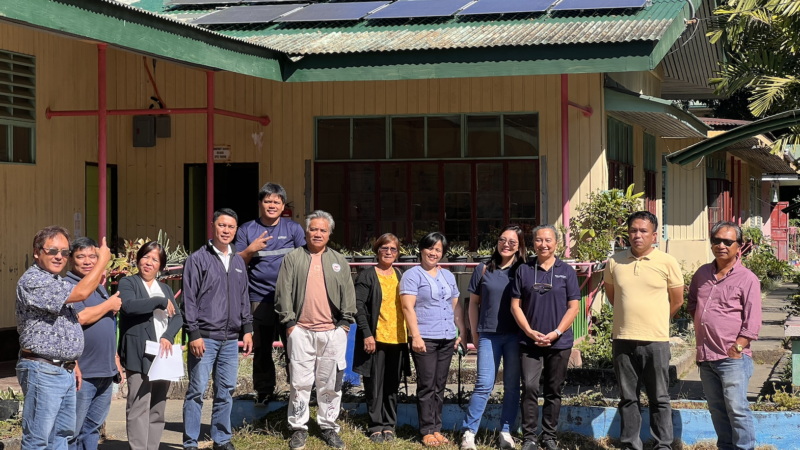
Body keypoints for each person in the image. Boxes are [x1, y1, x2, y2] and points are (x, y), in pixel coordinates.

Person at [16, 226, 113, 450]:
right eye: (52, 251)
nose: (59, 256)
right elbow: (80, 294)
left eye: (64, 251)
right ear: (37, 252)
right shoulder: (34, 280)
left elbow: (65, 325)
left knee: (62, 436)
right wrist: (101, 262)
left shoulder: (56, 281)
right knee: (38, 440)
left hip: (63, 369)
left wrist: (72, 362)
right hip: (43, 369)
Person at [275, 210, 356, 450]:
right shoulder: (293, 258)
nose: (317, 233)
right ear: (306, 231)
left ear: (329, 234)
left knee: (330, 383)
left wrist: (344, 325)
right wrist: (290, 324)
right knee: (300, 383)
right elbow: (283, 293)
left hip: (333, 332)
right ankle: (299, 427)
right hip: (301, 331)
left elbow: (349, 296)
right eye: (313, 229)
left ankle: (328, 426)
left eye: (323, 230)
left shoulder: (339, 260)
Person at [605, 211, 684, 450]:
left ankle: (663, 445)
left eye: (643, 231)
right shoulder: (614, 261)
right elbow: (613, 296)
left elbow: (677, 300)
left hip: (655, 341)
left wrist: (657, 320)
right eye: (633, 231)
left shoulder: (667, 262)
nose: (637, 235)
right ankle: (630, 444)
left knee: (659, 397)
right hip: (622, 339)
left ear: (654, 234)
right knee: (628, 398)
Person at [182, 209, 254, 450]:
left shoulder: (237, 261)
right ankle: (191, 441)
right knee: (196, 391)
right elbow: (189, 299)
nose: (226, 230)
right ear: (213, 226)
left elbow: (244, 296)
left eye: (231, 227)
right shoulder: (197, 259)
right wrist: (193, 332)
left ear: (235, 230)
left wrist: (247, 328)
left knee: (226, 390)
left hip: (231, 339)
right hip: (205, 337)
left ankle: (221, 439)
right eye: (222, 225)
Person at [688, 221, 761, 450]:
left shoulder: (747, 278)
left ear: (739, 246)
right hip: (706, 356)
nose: (721, 245)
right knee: (717, 409)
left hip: (733, 358)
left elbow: (753, 321)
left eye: (728, 242)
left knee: (737, 409)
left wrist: (737, 348)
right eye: (717, 240)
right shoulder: (702, 274)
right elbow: (692, 304)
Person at [510, 225, 581, 450]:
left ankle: (549, 436)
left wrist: (557, 332)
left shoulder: (567, 271)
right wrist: (530, 332)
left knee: (554, 390)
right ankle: (529, 436)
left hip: (559, 342)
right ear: (533, 244)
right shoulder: (523, 270)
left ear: (556, 243)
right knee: (529, 387)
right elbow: (515, 306)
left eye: (548, 240)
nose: (543, 244)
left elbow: (574, 307)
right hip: (529, 341)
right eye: (539, 240)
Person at [236, 182, 306, 406]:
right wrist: (250, 249)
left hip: (290, 301)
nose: (272, 205)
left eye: (277, 201)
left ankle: (299, 393)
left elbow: (305, 261)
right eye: (267, 201)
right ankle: (264, 392)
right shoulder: (247, 230)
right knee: (262, 349)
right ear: (260, 204)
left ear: (283, 205)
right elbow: (237, 264)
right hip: (259, 299)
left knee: (294, 349)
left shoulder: (293, 229)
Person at [461, 225, 526, 450]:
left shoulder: (523, 270)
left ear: (519, 246)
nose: (506, 244)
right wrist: (475, 333)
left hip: (516, 336)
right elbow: (473, 304)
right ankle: (469, 433)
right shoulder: (483, 269)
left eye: (512, 242)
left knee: (511, 386)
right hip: (489, 335)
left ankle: (506, 432)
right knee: (483, 384)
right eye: (502, 240)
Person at [400, 232, 465, 448]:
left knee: (440, 384)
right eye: (430, 248)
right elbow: (407, 307)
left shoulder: (448, 276)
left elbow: (455, 306)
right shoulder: (412, 275)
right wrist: (415, 335)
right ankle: (427, 430)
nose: (434, 253)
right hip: (425, 338)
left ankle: (437, 428)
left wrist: (460, 332)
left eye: (438, 250)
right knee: (427, 385)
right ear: (421, 249)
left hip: (447, 337)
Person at [118, 240, 184, 450]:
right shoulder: (128, 283)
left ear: (161, 266)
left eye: (154, 259)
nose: (148, 262)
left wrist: (168, 335)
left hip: (162, 352)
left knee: (158, 405)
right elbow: (128, 306)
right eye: (145, 257)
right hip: (138, 352)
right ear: (138, 259)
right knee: (138, 404)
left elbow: (178, 317)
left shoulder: (164, 288)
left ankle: (152, 446)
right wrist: (158, 301)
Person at [66, 237, 124, 450]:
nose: (88, 261)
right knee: (72, 430)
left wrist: (115, 359)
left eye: (93, 256)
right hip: (84, 372)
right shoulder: (70, 285)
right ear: (71, 260)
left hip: (105, 371)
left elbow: (108, 326)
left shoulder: (98, 286)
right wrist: (109, 304)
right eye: (81, 256)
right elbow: (81, 317)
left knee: (92, 428)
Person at [353, 233, 410, 444]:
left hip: (398, 339)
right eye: (384, 248)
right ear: (377, 251)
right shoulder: (367, 275)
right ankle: (375, 425)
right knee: (374, 384)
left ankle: (389, 425)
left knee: (392, 385)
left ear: (398, 253)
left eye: (393, 249)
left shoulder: (401, 274)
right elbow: (358, 307)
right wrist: (367, 334)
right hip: (375, 339)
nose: (388, 252)